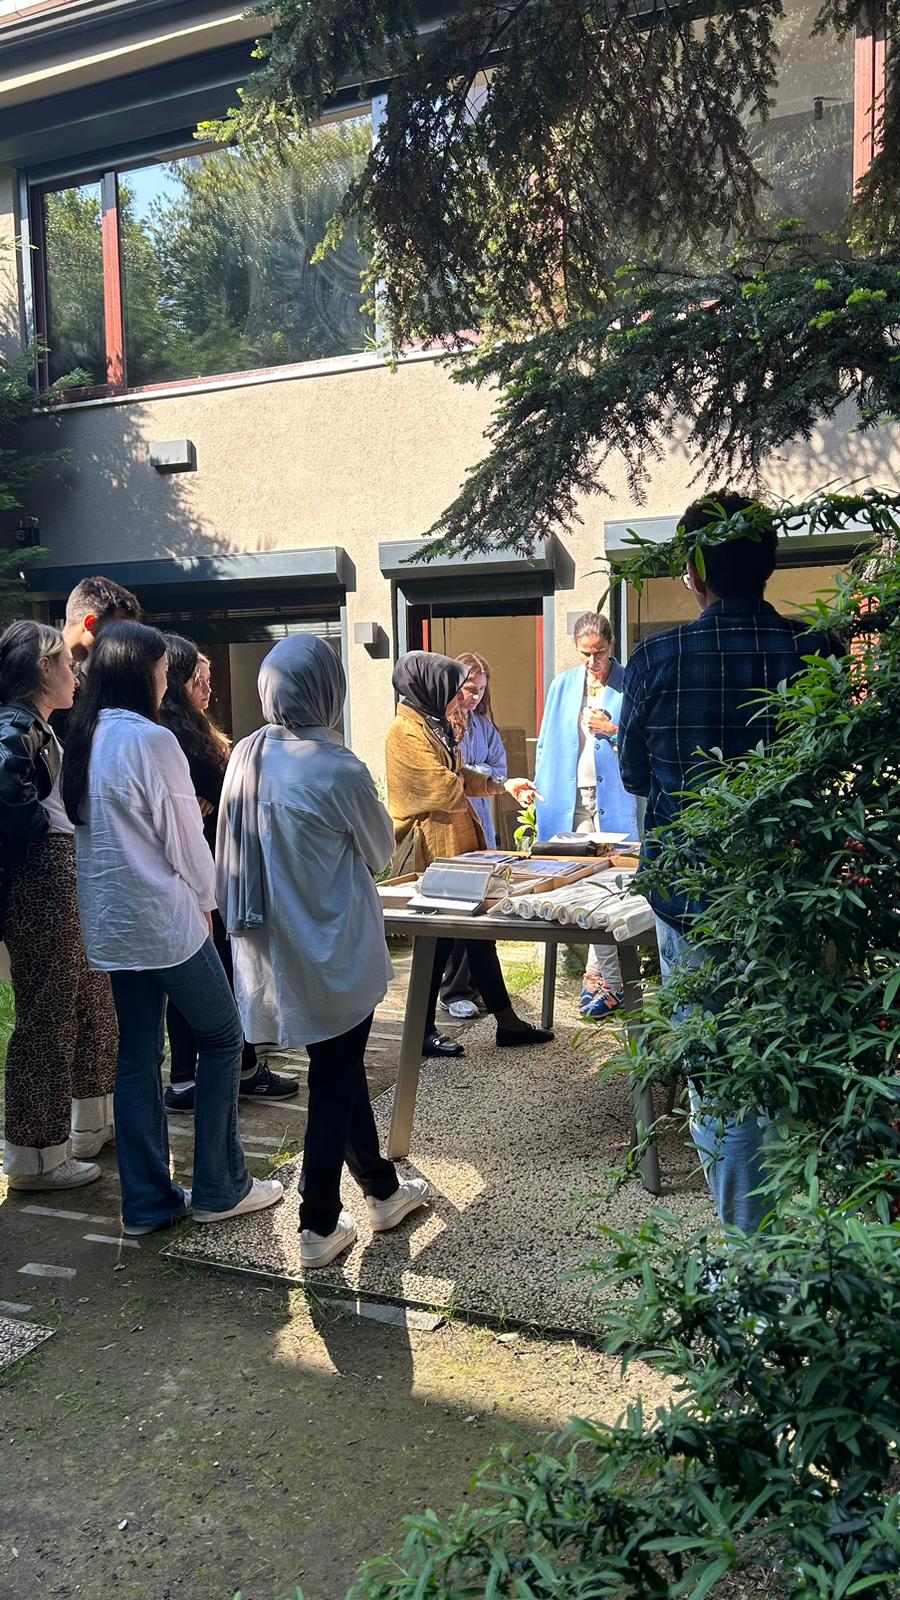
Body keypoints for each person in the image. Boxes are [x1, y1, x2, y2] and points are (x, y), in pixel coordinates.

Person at [618, 491, 835, 1234]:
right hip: (794, 900)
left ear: (694, 571)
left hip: (691, 902)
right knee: (792, 1060)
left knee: (716, 1072)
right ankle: (798, 1244)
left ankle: (749, 1251)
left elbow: (635, 776)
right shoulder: (816, 650)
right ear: (769, 566)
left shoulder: (656, 659)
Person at [62, 621, 282, 1235]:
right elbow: (186, 839)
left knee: (137, 1057)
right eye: (163, 672)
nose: (169, 682)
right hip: (164, 919)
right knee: (223, 1037)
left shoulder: (84, 735)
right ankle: (220, 1185)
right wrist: (210, 901)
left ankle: (146, 1202)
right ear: (142, 675)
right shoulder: (151, 740)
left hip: (111, 924)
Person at [217, 634, 429, 1269]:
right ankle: (317, 1223)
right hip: (331, 946)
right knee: (334, 1077)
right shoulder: (336, 767)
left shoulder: (248, 755)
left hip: (270, 946)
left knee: (340, 1065)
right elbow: (381, 852)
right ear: (327, 690)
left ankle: (383, 1191)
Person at [386, 650, 554, 1058]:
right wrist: (478, 779)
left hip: (457, 845)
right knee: (439, 940)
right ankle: (422, 1030)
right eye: (452, 690)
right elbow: (442, 787)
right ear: (428, 688)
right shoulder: (404, 731)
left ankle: (506, 1021)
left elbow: (459, 775)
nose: (459, 698)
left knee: (478, 936)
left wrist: (502, 785)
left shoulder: (434, 725)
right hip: (433, 849)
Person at [0, 622, 118, 1191]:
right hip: (42, 882)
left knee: (88, 998)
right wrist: (40, 836)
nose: (75, 674)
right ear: (43, 668)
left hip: (57, 877)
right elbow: (9, 795)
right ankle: (35, 1155)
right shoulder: (17, 725)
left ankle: (88, 1125)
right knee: (48, 1013)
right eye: (67, 664)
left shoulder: (36, 726)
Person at [159, 635, 298, 1109]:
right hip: (206, 870)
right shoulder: (176, 735)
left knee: (197, 975)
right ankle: (237, 1070)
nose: (208, 690)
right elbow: (216, 796)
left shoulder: (183, 728)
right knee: (218, 972)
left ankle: (193, 1075)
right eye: (199, 681)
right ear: (177, 681)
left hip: (206, 864)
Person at [534, 613, 638, 1017]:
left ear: (611, 645)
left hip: (615, 799)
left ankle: (605, 979)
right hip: (568, 799)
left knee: (612, 889)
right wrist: (539, 795)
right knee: (579, 886)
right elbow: (546, 744)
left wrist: (613, 731)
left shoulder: (630, 682)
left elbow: (645, 739)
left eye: (600, 652)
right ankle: (604, 980)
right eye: (585, 654)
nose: (593, 661)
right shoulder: (562, 685)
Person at [440, 651, 508, 1019]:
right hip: (453, 829)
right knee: (457, 911)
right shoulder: (440, 725)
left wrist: (473, 774)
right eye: (469, 689)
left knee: (481, 909)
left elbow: (500, 769)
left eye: (481, 690)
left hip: (482, 826)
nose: (475, 696)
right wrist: (476, 775)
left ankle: (476, 985)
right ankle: (453, 990)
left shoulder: (484, 726)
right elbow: (449, 776)